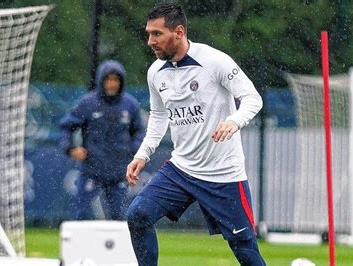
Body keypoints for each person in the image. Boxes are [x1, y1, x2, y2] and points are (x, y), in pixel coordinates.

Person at [126, 3, 266, 265]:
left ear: (178, 32)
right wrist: (143, 153)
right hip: (181, 170)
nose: (150, 41)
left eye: (157, 34)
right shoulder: (155, 72)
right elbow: (158, 115)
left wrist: (234, 121)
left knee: (246, 252)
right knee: (138, 215)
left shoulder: (215, 61)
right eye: (148, 34)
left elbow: (252, 98)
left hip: (224, 174)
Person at [60, 60, 144, 221]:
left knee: (119, 218)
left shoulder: (130, 104)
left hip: (119, 171)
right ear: (101, 80)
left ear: (121, 81)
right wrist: (70, 148)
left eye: (116, 80)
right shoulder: (88, 103)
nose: (112, 84)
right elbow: (66, 126)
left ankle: (119, 247)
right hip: (91, 169)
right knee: (82, 215)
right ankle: (81, 246)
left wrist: (134, 151)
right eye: (108, 79)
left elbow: (139, 132)